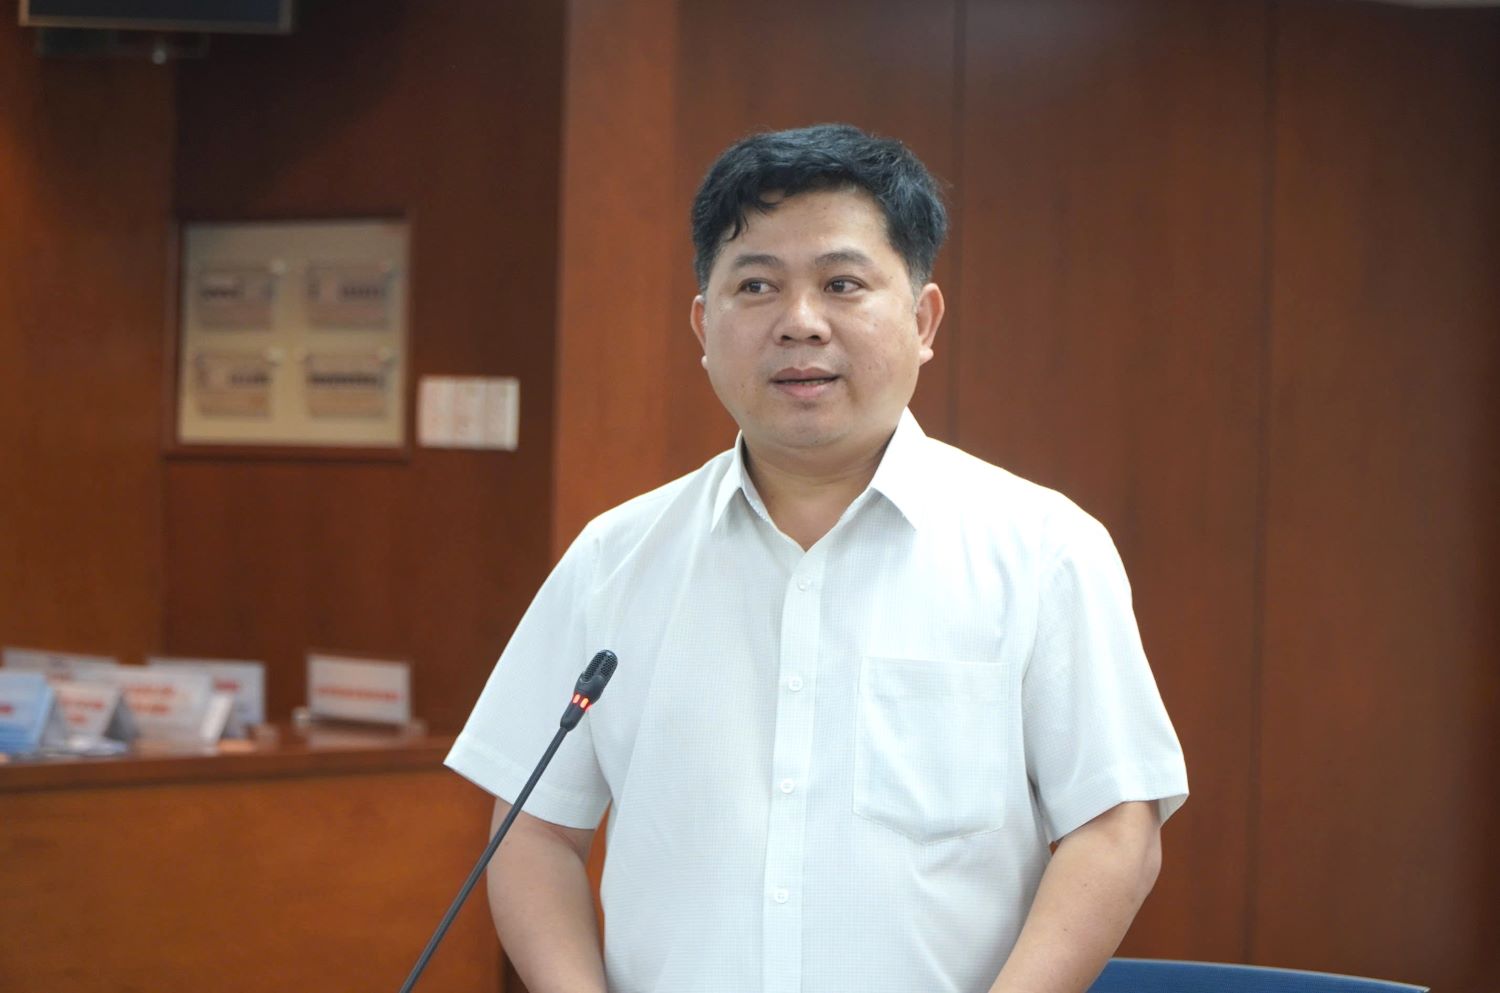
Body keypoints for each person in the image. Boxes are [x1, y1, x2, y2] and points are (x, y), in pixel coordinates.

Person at [446, 123, 1188, 993]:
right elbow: (533, 830)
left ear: (923, 319)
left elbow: (1115, 827)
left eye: (842, 284)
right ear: (704, 324)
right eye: (756, 285)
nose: (799, 323)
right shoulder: (613, 557)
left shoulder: (1044, 551)